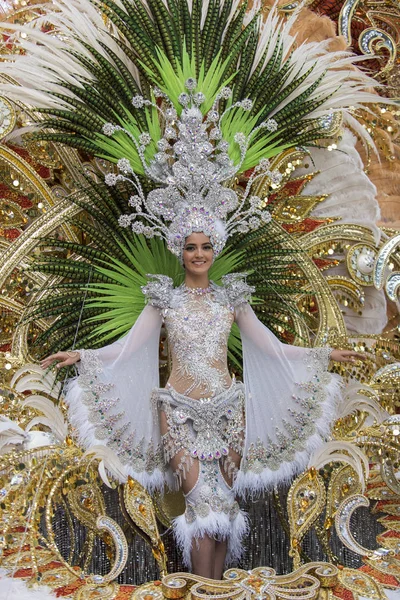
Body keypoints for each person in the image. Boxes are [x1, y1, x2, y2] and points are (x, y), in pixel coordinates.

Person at [41, 230, 364, 580]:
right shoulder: (164, 300)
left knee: (224, 510)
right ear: (179, 252)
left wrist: (324, 354)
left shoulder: (232, 300)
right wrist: (80, 355)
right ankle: (203, 588)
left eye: (206, 247)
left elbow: (272, 347)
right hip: (178, 415)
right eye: (191, 247)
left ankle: (216, 589)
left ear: (215, 250)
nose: (199, 254)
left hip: (229, 415)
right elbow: (128, 347)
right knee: (200, 506)